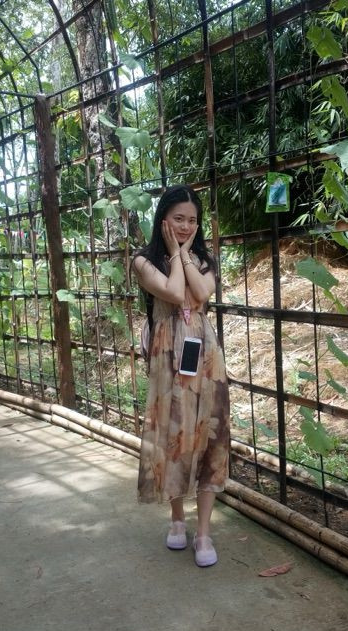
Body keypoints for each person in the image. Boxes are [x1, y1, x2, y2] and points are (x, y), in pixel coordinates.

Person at [131, 184, 230, 568]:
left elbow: (201, 293)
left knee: (210, 437)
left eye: (192, 220)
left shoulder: (205, 260)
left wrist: (185, 254)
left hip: (205, 357)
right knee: (173, 435)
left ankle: (203, 532)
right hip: (168, 356)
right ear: (163, 220)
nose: (186, 226)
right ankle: (176, 519)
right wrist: (175, 254)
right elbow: (174, 293)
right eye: (178, 219)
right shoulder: (144, 261)